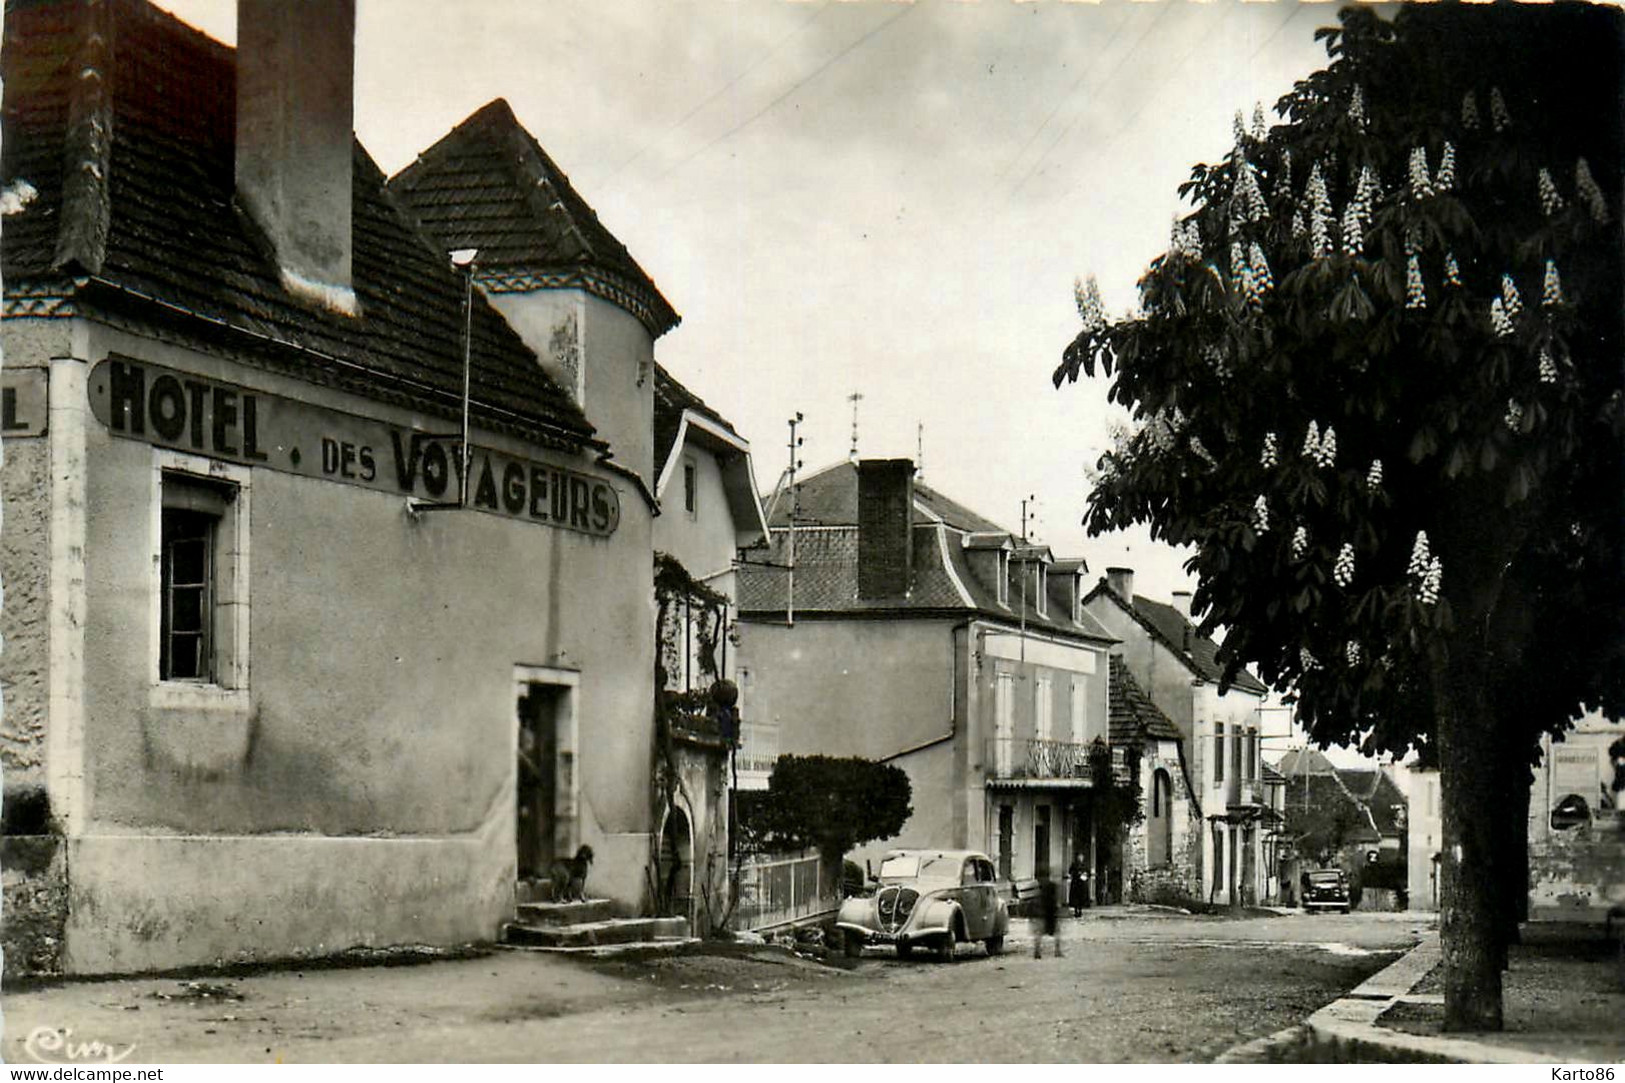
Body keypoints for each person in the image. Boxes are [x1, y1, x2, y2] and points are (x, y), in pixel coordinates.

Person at [1034, 869, 1062, 958]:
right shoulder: (1053, 885)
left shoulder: (1040, 886)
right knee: (1057, 931)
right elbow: (1056, 900)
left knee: (1039, 932)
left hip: (1042, 911)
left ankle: (1037, 952)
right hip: (1051, 911)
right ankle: (1057, 951)